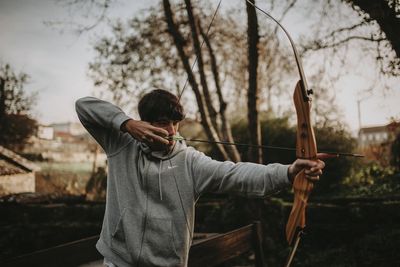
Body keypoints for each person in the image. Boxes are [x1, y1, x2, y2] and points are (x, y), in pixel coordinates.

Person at [75, 89, 324, 267]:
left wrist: (289, 172)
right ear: (145, 124)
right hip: (118, 261)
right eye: (163, 123)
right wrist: (126, 123)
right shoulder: (121, 144)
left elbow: (236, 175)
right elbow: (83, 106)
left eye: (176, 123)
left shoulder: (190, 162)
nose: (171, 131)